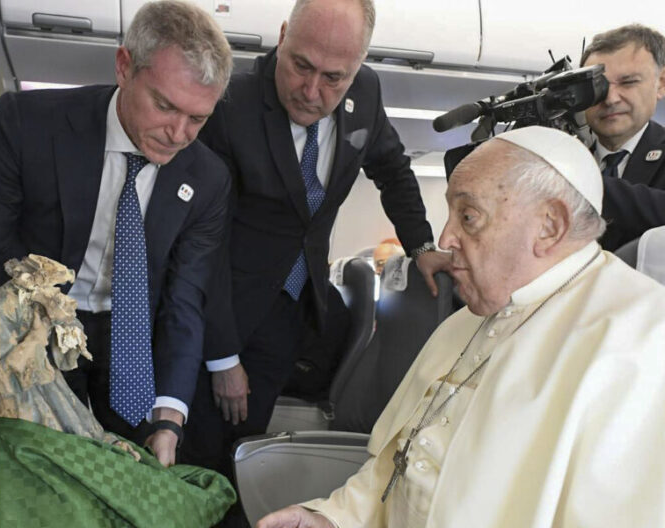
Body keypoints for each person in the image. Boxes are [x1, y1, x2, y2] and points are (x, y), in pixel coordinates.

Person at [258, 126, 665, 528]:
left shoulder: (642, 342)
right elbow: (397, 466)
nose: (446, 238)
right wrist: (333, 518)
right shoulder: (464, 322)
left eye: (468, 216)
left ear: (549, 226)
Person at [0, 0, 232, 467]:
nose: (178, 133)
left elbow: (185, 299)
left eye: (198, 118)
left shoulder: (208, 178)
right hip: (35, 333)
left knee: (136, 480)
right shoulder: (26, 126)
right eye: (165, 105)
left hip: (133, 338)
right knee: (45, 480)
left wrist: (170, 417)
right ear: (124, 67)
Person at [180, 0, 450, 488]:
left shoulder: (365, 93)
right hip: (221, 307)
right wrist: (223, 358)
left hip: (292, 304)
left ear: (357, 68)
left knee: (242, 451)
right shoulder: (231, 105)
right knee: (199, 451)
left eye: (333, 78)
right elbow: (205, 246)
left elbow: (391, 169)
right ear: (282, 37)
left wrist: (422, 245)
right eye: (301, 66)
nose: (311, 91)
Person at [580, 24, 665, 250]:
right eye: (598, 86)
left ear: (661, 83)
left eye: (628, 82)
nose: (610, 98)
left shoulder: (563, 171)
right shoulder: (564, 154)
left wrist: (570, 182)